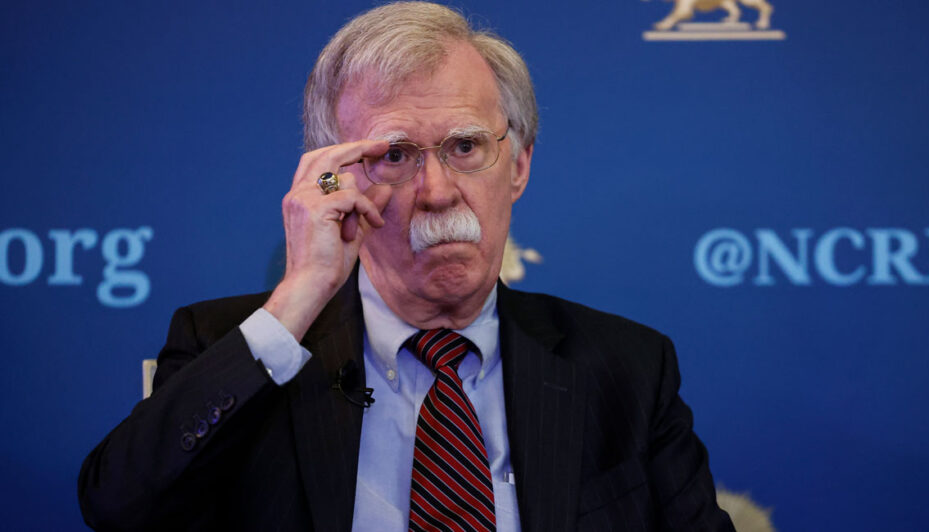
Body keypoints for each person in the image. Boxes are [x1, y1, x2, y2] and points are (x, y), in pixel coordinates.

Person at [78, 2, 735, 531]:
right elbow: (118, 507)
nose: (438, 190)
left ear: (521, 165)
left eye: (466, 146)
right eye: (395, 154)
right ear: (333, 181)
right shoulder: (240, 349)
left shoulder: (627, 370)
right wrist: (297, 299)